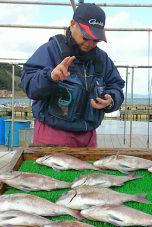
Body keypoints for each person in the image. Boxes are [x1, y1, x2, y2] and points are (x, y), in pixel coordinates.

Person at [21, 3, 125, 147]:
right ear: (72, 24)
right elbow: (29, 85)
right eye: (86, 36)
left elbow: (116, 86)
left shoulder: (103, 59)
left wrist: (111, 100)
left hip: (88, 136)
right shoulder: (51, 50)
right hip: (52, 134)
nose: (90, 43)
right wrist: (49, 77)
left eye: (95, 39)